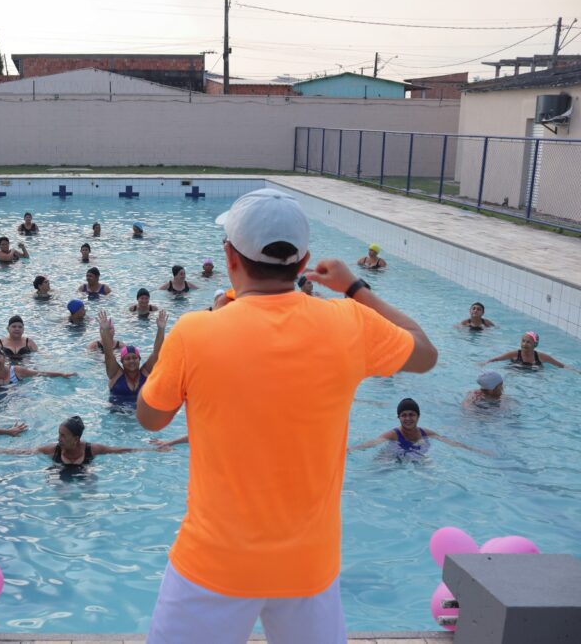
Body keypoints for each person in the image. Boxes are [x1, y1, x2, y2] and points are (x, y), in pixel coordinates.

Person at [135, 188, 436, 644]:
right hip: (309, 567)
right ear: (303, 263)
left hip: (214, 563)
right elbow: (425, 352)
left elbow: (150, 419)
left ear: (229, 256)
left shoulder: (196, 333)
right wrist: (354, 288)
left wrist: (202, 342)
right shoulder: (349, 324)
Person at [348, 398, 491, 457]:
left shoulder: (425, 433)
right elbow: (373, 442)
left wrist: (476, 450)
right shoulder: (393, 434)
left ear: (418, 416)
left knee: (428, 466)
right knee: (382, 465)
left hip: (416, 454)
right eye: (404, 415)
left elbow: (451, 442)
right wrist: (351, 449)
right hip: (393, 453)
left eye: (412, 414)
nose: (408, 418)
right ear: (399, 417)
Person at [0, 416, 150, 467]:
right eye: (59, 434)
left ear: (76, 439)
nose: (58, 439)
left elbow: (119, 450)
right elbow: (24, 452)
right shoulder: (53, 449)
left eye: (63, 436)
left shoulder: (92, 449)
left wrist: (152, 450)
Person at [98, 309, 167, 401]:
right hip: (118, 414)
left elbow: (157, 351)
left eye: (134, 358)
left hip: (143, 412)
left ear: (139, 359)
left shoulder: (146, 372)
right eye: (127, 358)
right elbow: (108, 353)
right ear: (122, 361)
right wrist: (105, 330)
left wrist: (161, 329)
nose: (131, 361)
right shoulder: (115, 374)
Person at [485, 331, 566, 368]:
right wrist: (484, 363)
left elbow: (560, 365)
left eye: (528, 342)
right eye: (523, 341)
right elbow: (496, 359)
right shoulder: (514, 354)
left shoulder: (541, 357)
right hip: (516, 372)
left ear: (535, 344)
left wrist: (574, 371)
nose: (524, 344)